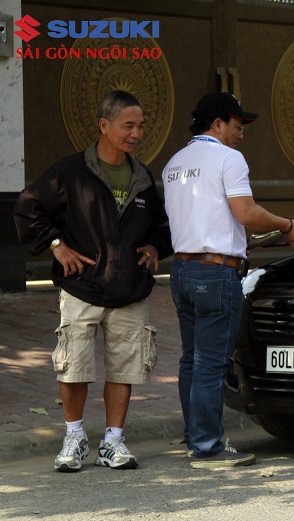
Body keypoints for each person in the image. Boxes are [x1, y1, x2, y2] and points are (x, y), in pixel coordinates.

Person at [14, 90, 173, 472]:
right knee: (74, 365)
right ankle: (74, 436)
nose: (136, 134)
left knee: (125, 367)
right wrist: (56, 246)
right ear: (105, 125)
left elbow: (161, 225)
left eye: (140, 126)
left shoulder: (141, 175)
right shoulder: (70, 171)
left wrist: (154, 246)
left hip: (129, 289)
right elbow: (27, 206)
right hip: (82, 287)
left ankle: (113, 443)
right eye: (128, 126)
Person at [162, 92, 294, 469]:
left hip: (180, 270)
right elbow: (246, 213)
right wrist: (288, 224)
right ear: (218, 124)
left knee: (191, 360)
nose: (241, 134)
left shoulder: (174, 163)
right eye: (237, 126)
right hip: (215, 272)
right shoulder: (228, 159)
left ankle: (193, 436)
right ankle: (208, 447)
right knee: (211, 363)